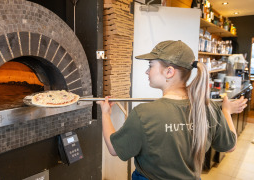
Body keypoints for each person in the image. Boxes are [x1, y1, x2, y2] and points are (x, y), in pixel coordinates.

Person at [97, 40, 248, 180]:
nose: (147, 72)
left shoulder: (144, 114)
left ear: (169, 71)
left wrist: (105, 114)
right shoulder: (210, 109)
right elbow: (230, 146)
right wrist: (226, 111)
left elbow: (114, 148)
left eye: (150, 66)